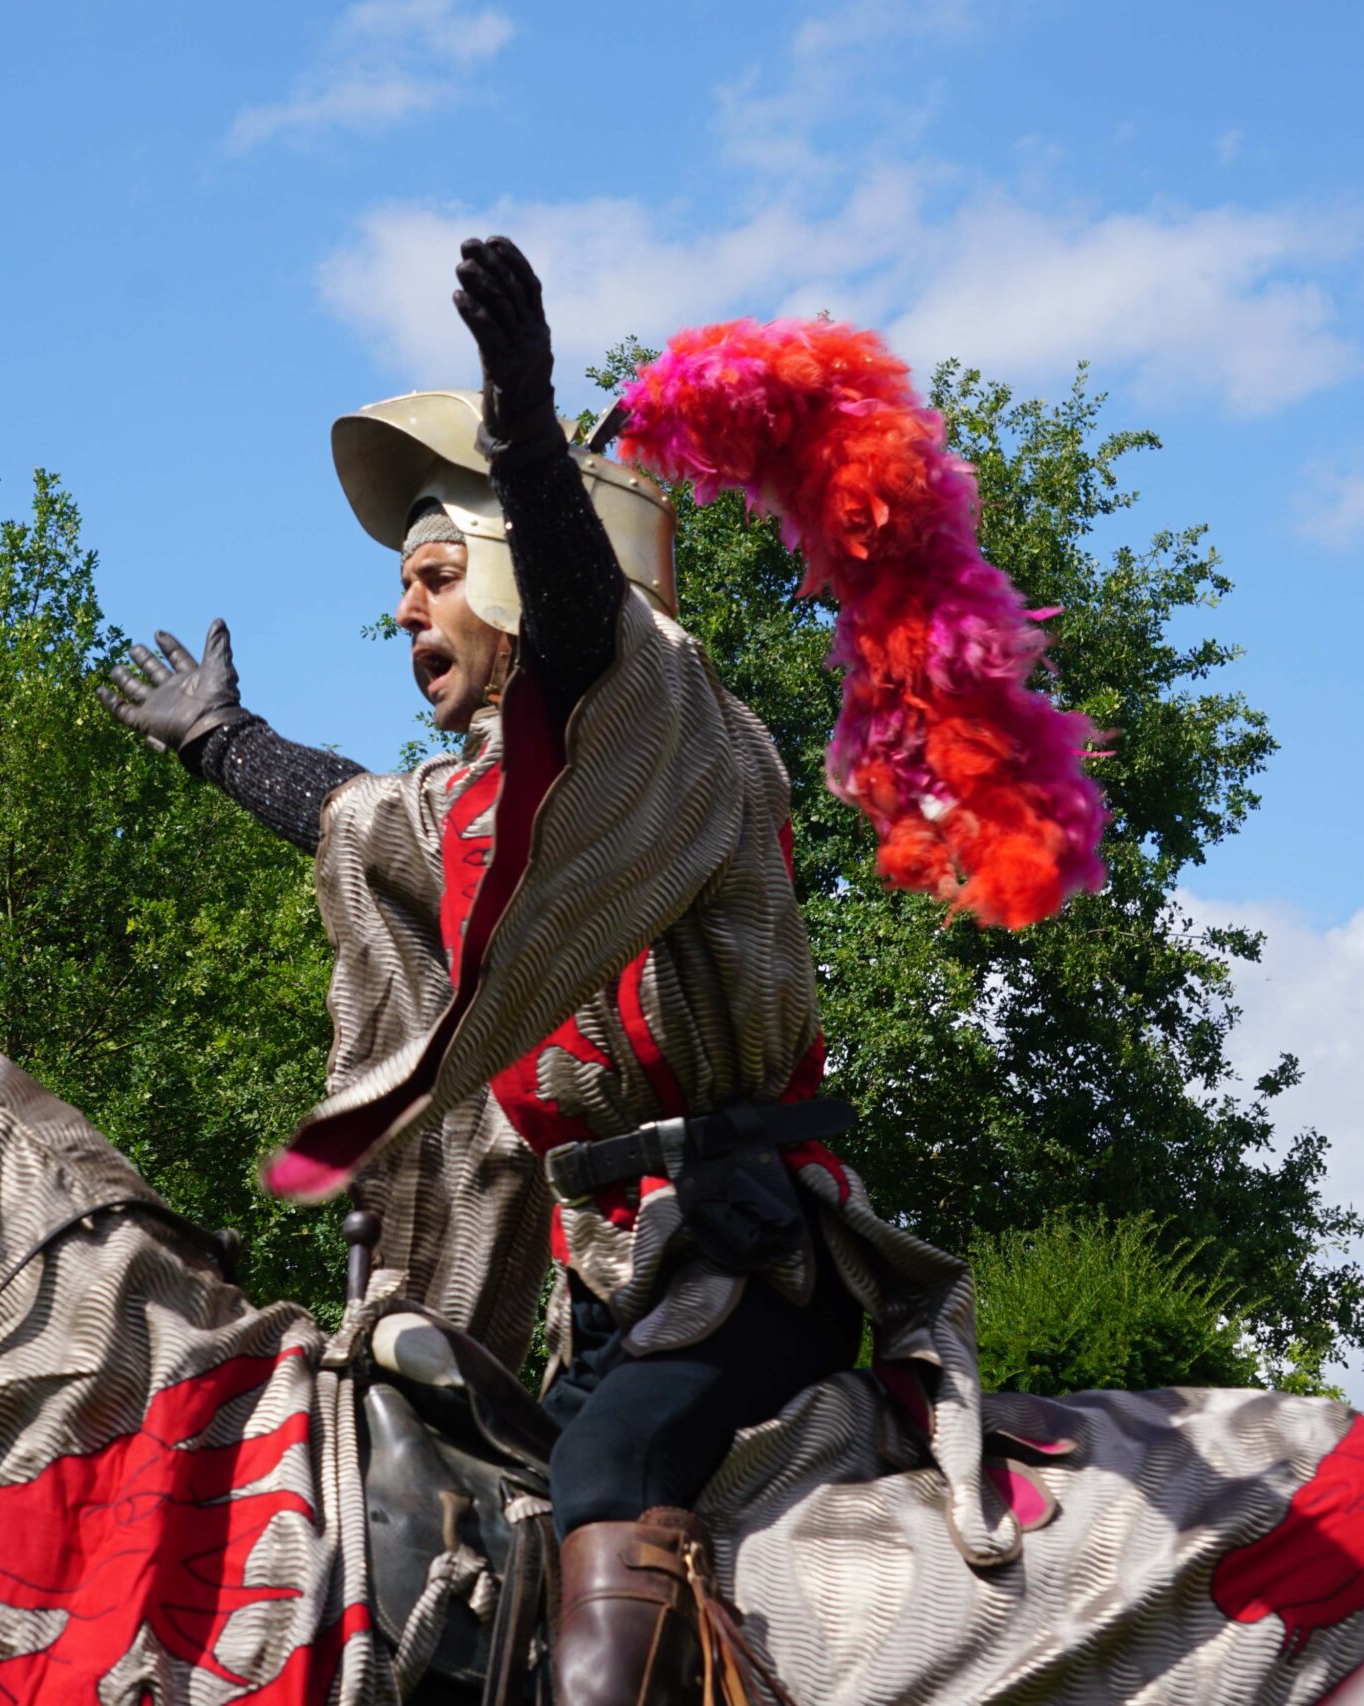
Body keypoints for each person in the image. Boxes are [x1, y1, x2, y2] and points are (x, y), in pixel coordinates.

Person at [103, 236, 1100, 1706]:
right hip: (612, 1283)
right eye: (405, 584)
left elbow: (587, 626)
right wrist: (221, 740)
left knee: (612, 1470)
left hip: (753, 1254)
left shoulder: (672, 729)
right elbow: (348, 809)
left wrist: (520, 422)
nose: (404, 612)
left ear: (518, 574)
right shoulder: (485, 806)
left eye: (437, 575)